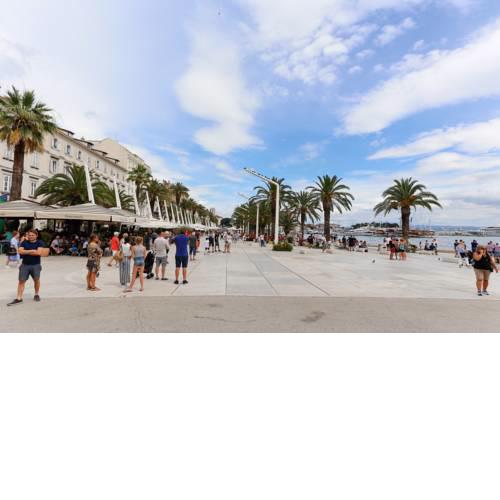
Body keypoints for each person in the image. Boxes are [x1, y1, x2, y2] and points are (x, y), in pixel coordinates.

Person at [7, 229, 49, 306]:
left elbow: (39, 253)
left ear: (36, 236)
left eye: (32, 235)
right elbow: (20, 251)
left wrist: (26, 251)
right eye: (29, 235)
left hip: (36, 265)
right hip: (24, 265)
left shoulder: (40, 242)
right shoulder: (24, 242)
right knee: (21, 281)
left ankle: (36, 294)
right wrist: (32, 251)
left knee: (36, 280)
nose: (31, 236)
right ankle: (19, 298)